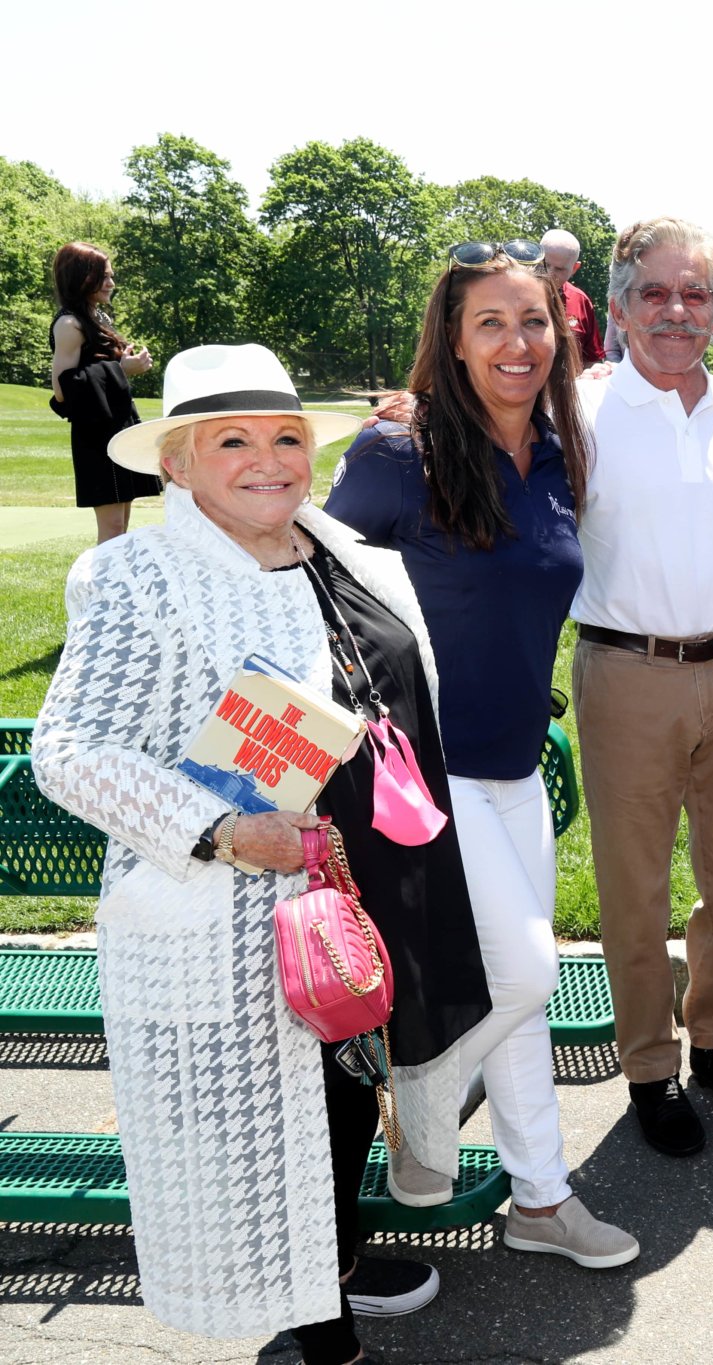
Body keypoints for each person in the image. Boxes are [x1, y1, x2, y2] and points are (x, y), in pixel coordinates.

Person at [34, 344, 496, 1363]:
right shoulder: (136, 576)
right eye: (230, 441)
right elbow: (66, 753)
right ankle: (307, 1324)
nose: (267, 459)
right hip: (231, 906)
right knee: (270, 1124)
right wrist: (223, 832)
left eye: (285, 436)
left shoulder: (346, 553)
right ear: (179, 466)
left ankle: (327, 1261)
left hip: (366, 883)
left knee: (345, 1086)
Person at [326, 241, 638, 1267]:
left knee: (523, 1002)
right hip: (419, 773)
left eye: (534, 322)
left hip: (511, 767)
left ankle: (541, 1201)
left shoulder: (558, 451)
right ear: (451, 343)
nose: (517, 343)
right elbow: (316, 587)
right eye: (490, 324)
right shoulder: (395, 452)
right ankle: (419, 1122)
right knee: (526, 973)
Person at [574, 217, 713, 1156]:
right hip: (627, 671)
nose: (676, 311)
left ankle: (712, 1035)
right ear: (620, 306)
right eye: (655, 293)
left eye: (696, 294)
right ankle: (650, 1065)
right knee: (636, 885)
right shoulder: (578, 410)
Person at [47, 241, 159, 542]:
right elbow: (62, 388)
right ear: (83, 277)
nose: (112, 283)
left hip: (117, 427)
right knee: (112, 530)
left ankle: (117, 587)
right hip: (96, 437)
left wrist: (124, 364)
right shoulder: (70, 324)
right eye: (105, 276)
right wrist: (122, 369)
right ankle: (102, 588)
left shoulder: (97, 318)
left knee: (120, 527)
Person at [536, 229, 604, 369]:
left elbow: (592, 360)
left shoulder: (581, 301)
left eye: (559, 269)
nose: (549, 274)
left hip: (568, 388)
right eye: (545, 265)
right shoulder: (516, 294)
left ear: (574, 268)